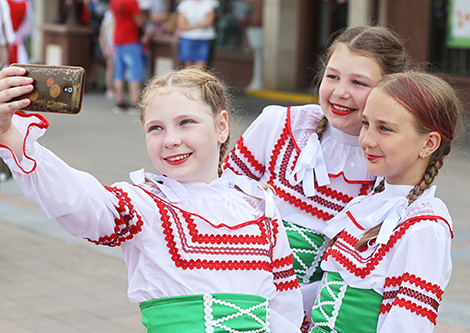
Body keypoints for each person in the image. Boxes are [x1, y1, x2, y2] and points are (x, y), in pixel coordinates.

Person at [0, 66, 304, 332]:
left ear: (221, 126)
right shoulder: (144, 204)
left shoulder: (258, 205)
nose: (171, 140)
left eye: (186, 122)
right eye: (156, 128)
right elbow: (77, 200)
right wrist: (10, 134)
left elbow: (284, 300)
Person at [223, 25, 409, 328]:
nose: (340, 92)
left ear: (389, 89)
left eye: (359, 82)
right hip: (240, 296)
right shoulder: (279, 124)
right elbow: (220, 198)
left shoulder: (389, 163)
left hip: (319, 316)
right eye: (332, 76)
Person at [310, 70, 462, 332]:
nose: (367, 140)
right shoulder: (368, 206)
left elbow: (407, 324)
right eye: (366, 124)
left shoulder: (424, 227)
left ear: (428, 143)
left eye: (385, 129)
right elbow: (327, 296)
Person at [109, 0, 147, 113]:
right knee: (135, 70)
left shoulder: (114, 1)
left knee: (119, 71)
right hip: (130, 38)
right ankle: (134, 102)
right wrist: (145, 19)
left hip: (118, 37)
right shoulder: (132, 2)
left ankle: (119, 100)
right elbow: (138, 21)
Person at [176, 0, 219, 69]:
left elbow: (209, 22)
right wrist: (200, 24)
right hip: (187, 39)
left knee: (200, 67)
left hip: (204, 39)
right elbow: (181, 24)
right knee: (187, 67)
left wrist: (191, 25)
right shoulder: (184, 4)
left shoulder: (210, 3)